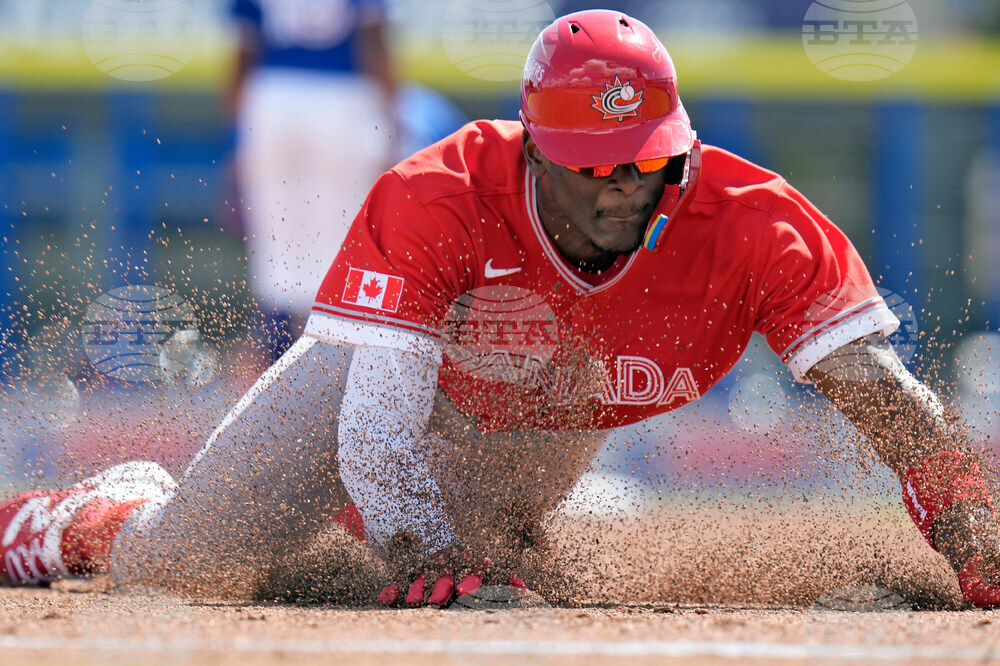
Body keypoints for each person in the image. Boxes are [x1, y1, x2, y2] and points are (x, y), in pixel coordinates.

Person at [3, 9, 1000, 608]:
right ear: (532, 153)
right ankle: (101, 516)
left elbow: (881, 396)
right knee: (184, 571)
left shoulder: (753, 225)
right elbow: (379, 427)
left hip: (536, 421)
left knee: (464, 574)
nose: (624, 190)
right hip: (374, 389)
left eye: (648, 162)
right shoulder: (441, 191)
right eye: (593, 170)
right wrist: (415, 546)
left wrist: (969, 529)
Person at [226, 0, 399, 359]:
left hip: (271, 95)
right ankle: (340, 354)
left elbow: (244, 49)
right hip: (342, 95)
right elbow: (374, 36)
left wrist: (236, 134)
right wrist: (391, 117)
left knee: (276, 239)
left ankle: (276, 353)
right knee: (342, 235)